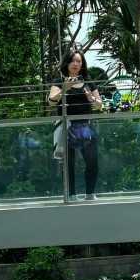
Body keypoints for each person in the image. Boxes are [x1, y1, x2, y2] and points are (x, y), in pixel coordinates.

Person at [48, 51, 102, 201]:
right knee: (68, 163)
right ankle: (71, 194)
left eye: (79, 61)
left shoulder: (89, 82)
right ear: (67, 63)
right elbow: (51, 101)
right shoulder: (59, 81)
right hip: (67, 126)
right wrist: (65, 88)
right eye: (72, 61)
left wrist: (91, 98)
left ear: (82, 64)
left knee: (92, 161)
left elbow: (99, 106)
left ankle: (90, 193)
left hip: (86, 126)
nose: (75, 64)